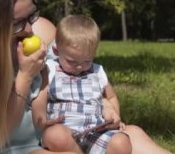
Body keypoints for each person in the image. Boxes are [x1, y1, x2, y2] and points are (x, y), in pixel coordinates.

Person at [0, 0, 170, 154]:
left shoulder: (41, 30)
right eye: (18, 22)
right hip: (14, 149)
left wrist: (106, 106)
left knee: (134, 136)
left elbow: (79, 75)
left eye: (32, 15)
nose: (31, 28)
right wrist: (24, 76)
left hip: (67, 136)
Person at [32, 15, 131, 154]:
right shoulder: (50, 69)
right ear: (56, 51)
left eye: (86, 61)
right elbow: (39, 95)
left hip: (96, 130)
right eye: (72, 61)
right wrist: (41, 119)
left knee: (121, 142)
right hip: (64, 129)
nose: (79, 67)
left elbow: (111, 97)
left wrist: (114, 116)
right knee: (54, 136)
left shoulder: (97, 71)